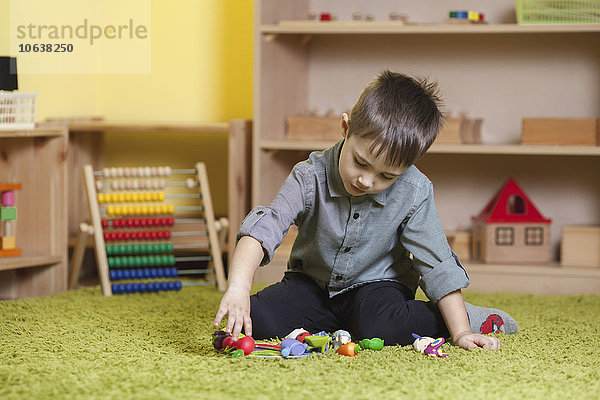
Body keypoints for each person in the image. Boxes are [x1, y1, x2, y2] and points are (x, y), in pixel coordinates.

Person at [214, 70, 517, 350]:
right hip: (312, 285)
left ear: (406, 168)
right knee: (258, 319)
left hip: (377, 287)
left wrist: (461, 333)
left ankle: (463, 316)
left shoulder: (415, 190)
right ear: (346, 128)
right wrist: (239, 288)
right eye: (360, 162)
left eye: (387, 176)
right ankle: (341, 323)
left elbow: (436, 263)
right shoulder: (308, 177)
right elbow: (264, 229)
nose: (366, 180)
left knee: (379, 326)